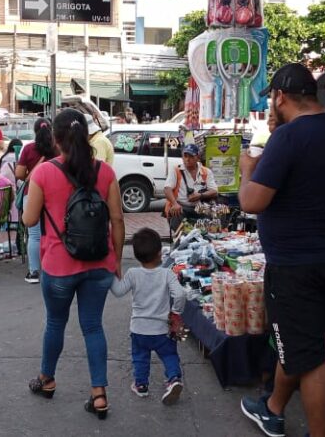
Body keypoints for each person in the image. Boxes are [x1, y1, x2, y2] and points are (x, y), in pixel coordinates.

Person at [237, 63, 325, 437]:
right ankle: (272, 407)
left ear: (281, 97)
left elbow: (252, 201)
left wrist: (246, 169)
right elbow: (308, 176)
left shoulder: (288, 139)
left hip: (294, 267)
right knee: (301, 342)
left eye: (272, 99)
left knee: (309, 358)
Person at [22, 108, 125, 419]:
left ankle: (47, 379)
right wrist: (117, 260)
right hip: (99, 263)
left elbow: (28, 219)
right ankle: (99, 395)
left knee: (56, 323)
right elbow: (118, 220)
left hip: (58, 266)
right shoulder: (105, 171)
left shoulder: (43, 173)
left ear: (55, 139)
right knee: (93, 326)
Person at [109, 227, 185, 405]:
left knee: (140, 357)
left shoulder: (133, 274)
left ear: (136, 256)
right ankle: (174, 379)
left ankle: (141, 385)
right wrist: (176, 313)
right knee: (169, 355)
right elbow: (180, 295)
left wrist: (110, 273)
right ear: (160, 253)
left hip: (139, 329)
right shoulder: (167, 274)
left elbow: (118, 291)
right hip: (161, 329)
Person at [15, 119, 59, 284]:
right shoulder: (57, 149)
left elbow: (19, 174)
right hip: (54, 194)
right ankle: (52, 268)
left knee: (34, 235)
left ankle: (34, 272)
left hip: (31, 193)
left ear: (35, 131)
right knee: (53, 231)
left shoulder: (28, 149)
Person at [164, 144, 218, 230]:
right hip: (181, 206)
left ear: (197, 157)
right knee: (177, 214)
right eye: (185, 156)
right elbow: (167, 189)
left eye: (191, 156)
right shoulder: (176, 170)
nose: (187, 159)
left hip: (199, 207)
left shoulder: (206, 171)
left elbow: (214, 191)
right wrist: (174, 204)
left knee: (211, 218)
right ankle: (181, 238)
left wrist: (200, 196)